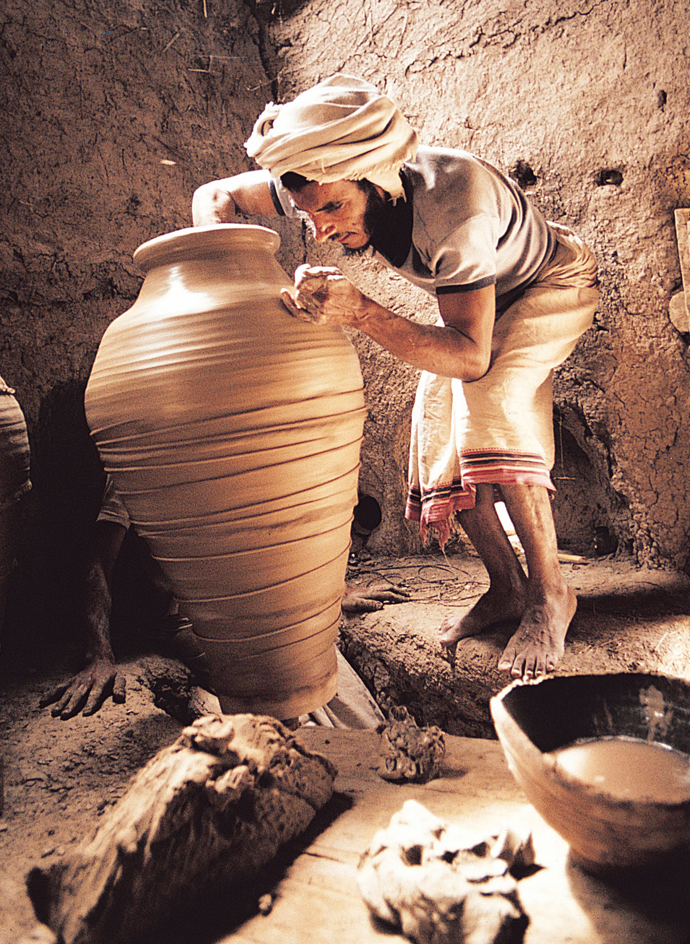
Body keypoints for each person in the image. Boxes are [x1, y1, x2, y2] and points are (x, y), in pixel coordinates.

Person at [192, 74, 600, 681]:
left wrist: (360, 311)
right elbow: (215, 196)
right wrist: (240, 285)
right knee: (436, 433)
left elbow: (468, 356)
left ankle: (549, 595)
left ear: (378, 180)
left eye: (334, 208)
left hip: (546, 286)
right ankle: (507, 588)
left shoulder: (455, 205)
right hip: (476, 310)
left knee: (487, 405)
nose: (321, 228)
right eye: (307, 213)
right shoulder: (318, 176)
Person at [40, 475, 399, 721]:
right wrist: (99, 655)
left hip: (256, 600)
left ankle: (380, 768)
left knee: (327, 671)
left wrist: (331, 591)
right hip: (194, 617)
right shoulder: (139, 455)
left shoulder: (235, 437)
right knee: (284, 702)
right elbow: (99, 560)